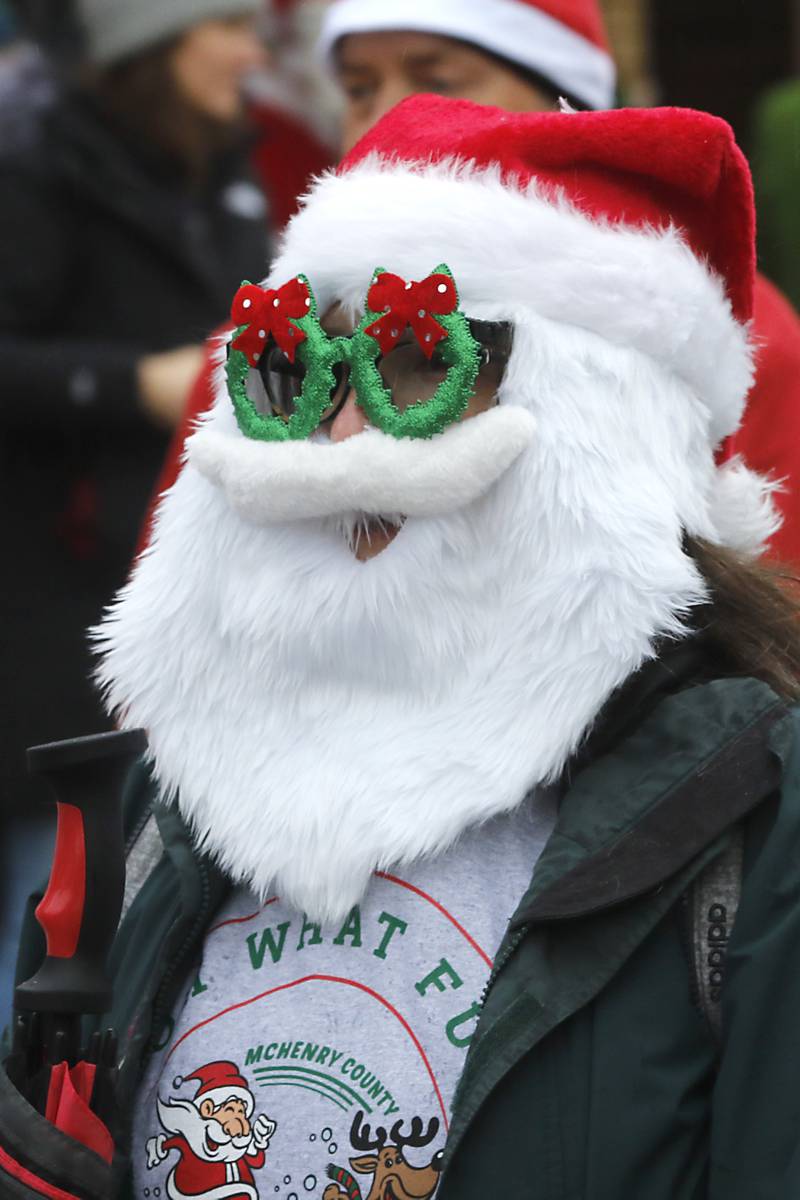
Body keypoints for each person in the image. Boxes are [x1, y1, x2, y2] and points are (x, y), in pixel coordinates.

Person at [6, 94, 800, 1199]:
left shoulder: (754, 811)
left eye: (419, 364)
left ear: (598, 427)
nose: (336, 437)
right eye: (296, 366)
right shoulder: (168, 797)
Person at [153, 0, 800, 567]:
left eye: (436, 81)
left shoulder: (728, 342)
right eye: (357, 89)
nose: (389, 122)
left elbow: (766, 626)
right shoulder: (266, 347)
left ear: (563, 103)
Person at [0, 0, 269, 809]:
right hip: (55, 598)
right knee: (61, 882)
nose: (252, 55)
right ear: (152, 41)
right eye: (228, 27)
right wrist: (134, 385)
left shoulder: (220, 160)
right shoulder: (32, 166)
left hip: (189, 583)